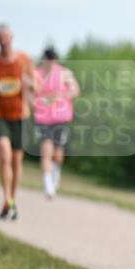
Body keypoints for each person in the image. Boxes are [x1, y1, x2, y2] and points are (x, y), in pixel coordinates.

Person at [0, 23, 38, 220]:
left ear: (12, 38)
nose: (3, 41)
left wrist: (30, 85)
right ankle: (7, 198)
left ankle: (11, 201)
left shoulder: (24, 60)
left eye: (6, 37)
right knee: (4, 154)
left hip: (20, 114)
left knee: (17, 161)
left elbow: (35, 85)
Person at [33, 47, 79, 198]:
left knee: (58, 154)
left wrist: (60, 96)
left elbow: (75, 90)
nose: (50, 62)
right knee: (46, 150)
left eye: (53, 59)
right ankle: (48, 186)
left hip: (60, 117)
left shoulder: (64, 73)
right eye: (48, 59)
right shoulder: (36, 74)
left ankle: (55, 172)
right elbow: (29, 92)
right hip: (43, 118)